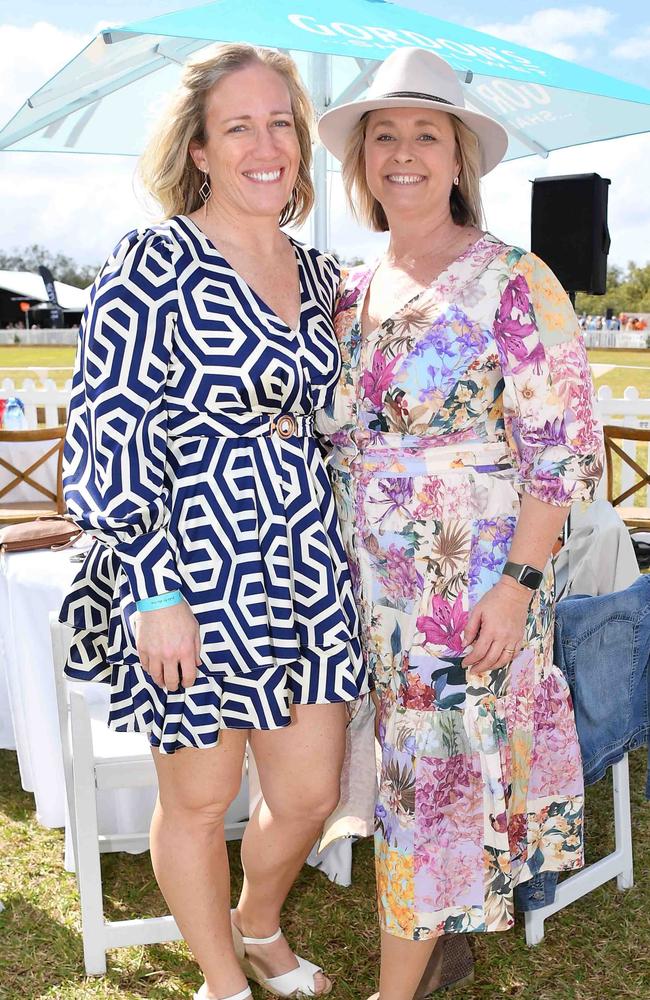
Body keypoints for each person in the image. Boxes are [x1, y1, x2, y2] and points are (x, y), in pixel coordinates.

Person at [59, 43, 368, 1000]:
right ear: (199, 147)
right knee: (197, 799)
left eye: (282, 122)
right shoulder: (152, 260)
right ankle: (224, 981)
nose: (265, 143)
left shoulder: (320, 275)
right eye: (239, 125)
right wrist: (153, 591)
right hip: (187, 555)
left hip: (303, 555)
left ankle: (258, 920)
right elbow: (106, 425)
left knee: (310, 793)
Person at [317, 47, 604, 1000]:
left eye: (425, 135)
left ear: (457, 158)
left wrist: (518, 587)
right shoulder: (354, 291)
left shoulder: (515, 279)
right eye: (383, 136)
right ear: (361, 161)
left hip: (473, 590)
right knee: (409, 774)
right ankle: (439, 942)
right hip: (373, 589)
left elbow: (559, 449)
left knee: (429, 787)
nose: (403, 153)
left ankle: (398, 987)